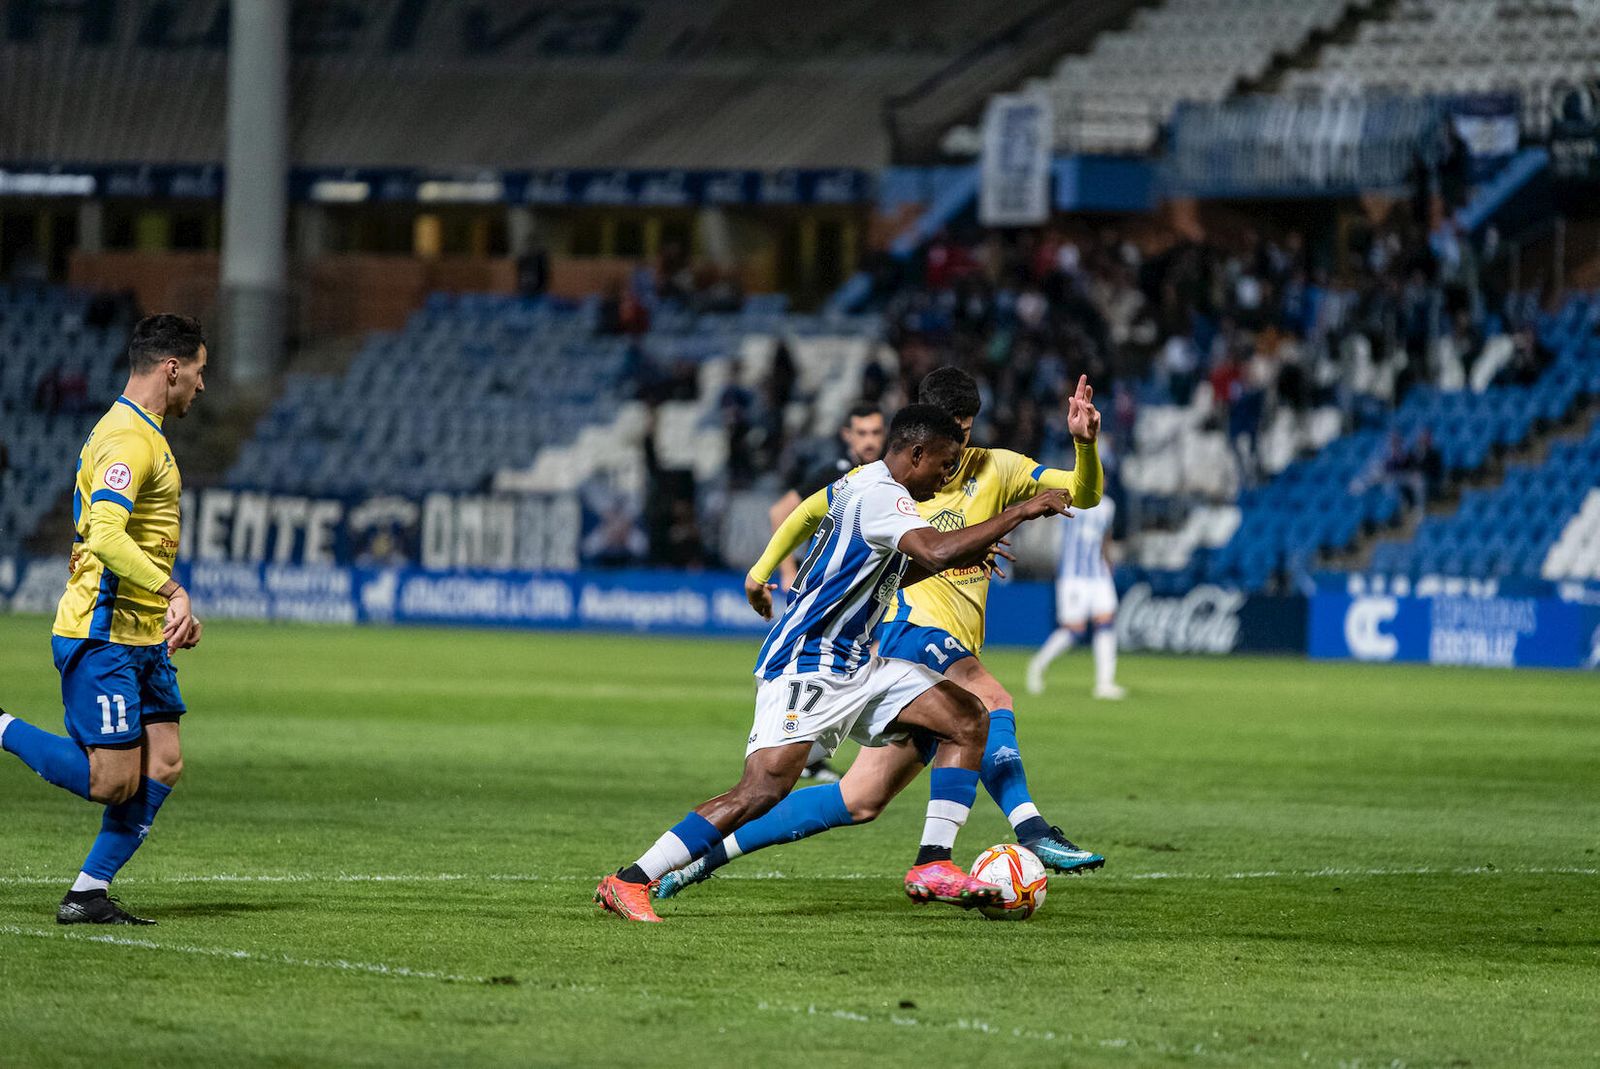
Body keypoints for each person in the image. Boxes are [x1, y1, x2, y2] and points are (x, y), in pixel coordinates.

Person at [594, 405, 1074, 923]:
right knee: (760, 790)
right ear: (916, 453)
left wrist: (964, 553)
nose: (948, 473)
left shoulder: (866, 484)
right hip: (810, 662)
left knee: (967, 716)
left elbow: (884, 572)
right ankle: (630, 879)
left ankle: (933, 864)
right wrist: (1021, 511)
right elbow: (932, 554)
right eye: (944, 461)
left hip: (857, 662)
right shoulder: (882, 495)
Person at [0, 314, 207, 926]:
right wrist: (172, 590)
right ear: (172, 368)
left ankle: (88, 892)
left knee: (163, 762)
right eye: (199, 370)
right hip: (103, 633)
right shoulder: (128, 440)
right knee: (112, 782)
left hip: (142, 636)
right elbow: (107, 535)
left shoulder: (143, 433)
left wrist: (165, 610)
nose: (202, 385)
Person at [769, 401, 885, 783]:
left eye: (875, 432)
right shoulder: (835, 473)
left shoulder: (886, 478)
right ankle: (799, 750)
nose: (869, 441)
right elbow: (781, 511)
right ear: (847, 436)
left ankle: (810, 755)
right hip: (828, 593)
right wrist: (787, 569)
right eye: (862, 433)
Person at [1027, 495, 1124, 700]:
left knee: (1106, 622)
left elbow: (1106, 536)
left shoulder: (1108, 505)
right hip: (1073, 576)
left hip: (1099, 574)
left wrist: (1109, 562)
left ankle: (1104, 683)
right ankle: (1038, 664)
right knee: (1074, 630)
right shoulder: (1070, 500)